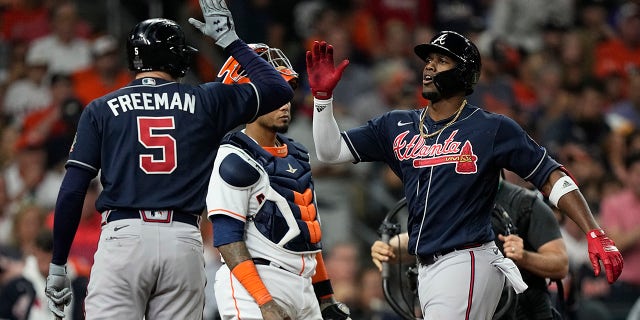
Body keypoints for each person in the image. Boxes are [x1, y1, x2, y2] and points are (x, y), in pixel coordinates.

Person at [306, 31, 623, 319]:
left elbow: (550, 175)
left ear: (464, 72)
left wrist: (594, 231)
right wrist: (323, 100)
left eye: (442, 60)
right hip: (426, 266)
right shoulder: (395, 124)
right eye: (428, 60)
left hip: (468, 259)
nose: (429, 66)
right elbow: (330, 151)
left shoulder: (491, 127)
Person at [44, 0, 295, 318]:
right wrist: (231, 41)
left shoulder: (101, 107)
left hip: (124, 238)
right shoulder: (206, 99)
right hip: (183, 240)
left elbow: (73, 188)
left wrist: (57, 264)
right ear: (177, 60)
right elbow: (278, 88)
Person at [207, 43, 350, 320]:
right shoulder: (234, 156)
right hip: (256, 282)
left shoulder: (296, 152)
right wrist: (263, 301)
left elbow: (308, 233)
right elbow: (226, 238)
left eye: (286, 92)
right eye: (275, 93)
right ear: (249, 99)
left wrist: (326, 297)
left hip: (304, 284)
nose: (284, 102)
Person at [371, 177, 570, 320]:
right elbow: (419, 240)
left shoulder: (525, 203)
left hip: (524, 311)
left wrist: (524, 257)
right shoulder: (449, 202)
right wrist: (390, 248)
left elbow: (560, 264)